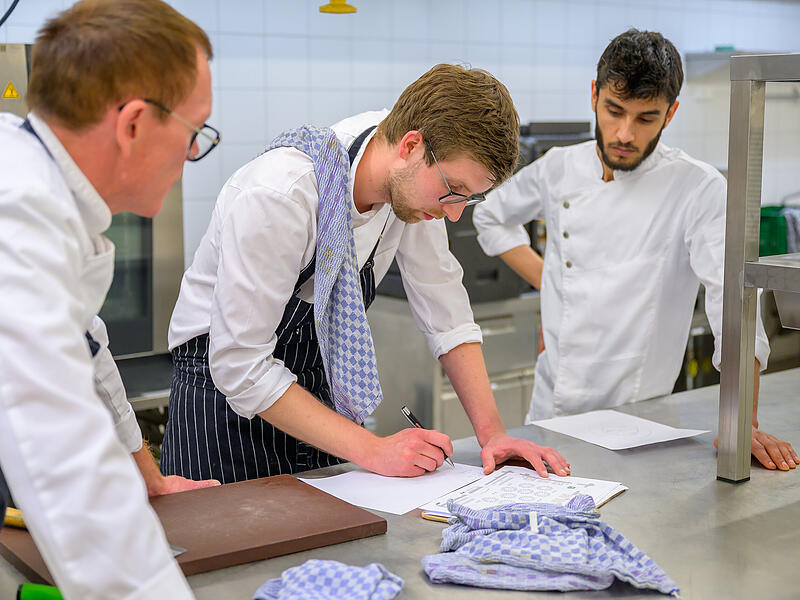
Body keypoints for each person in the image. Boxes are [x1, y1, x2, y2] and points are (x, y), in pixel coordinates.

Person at [161, 64, 570, 485]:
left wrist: (494, 435)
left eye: (468, 198)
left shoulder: (407, 180)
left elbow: (446, 311)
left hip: (314, 400)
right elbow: (240, 365)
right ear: (411, 146)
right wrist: (373, 449)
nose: (453, 214)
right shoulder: (281, 194)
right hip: (222, 408)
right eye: (454, 190)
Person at [473, 29, 798, 472]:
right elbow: (489, 215)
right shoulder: (559, 167)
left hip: (639, 427)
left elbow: (733, 303)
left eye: (646, 118)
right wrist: (552, 285)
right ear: (594, 95)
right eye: (614, 111)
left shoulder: (698, 188)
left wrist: (743, 421)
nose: (625, 133)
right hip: (548, 419)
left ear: (671, 113)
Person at [0, 0, 219, 597]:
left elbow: (86, 345)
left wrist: (148, 476)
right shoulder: (19, 213)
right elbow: (64, 460)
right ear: (134, 124)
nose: (192, 154)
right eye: (194, 131)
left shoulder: (48, 193)